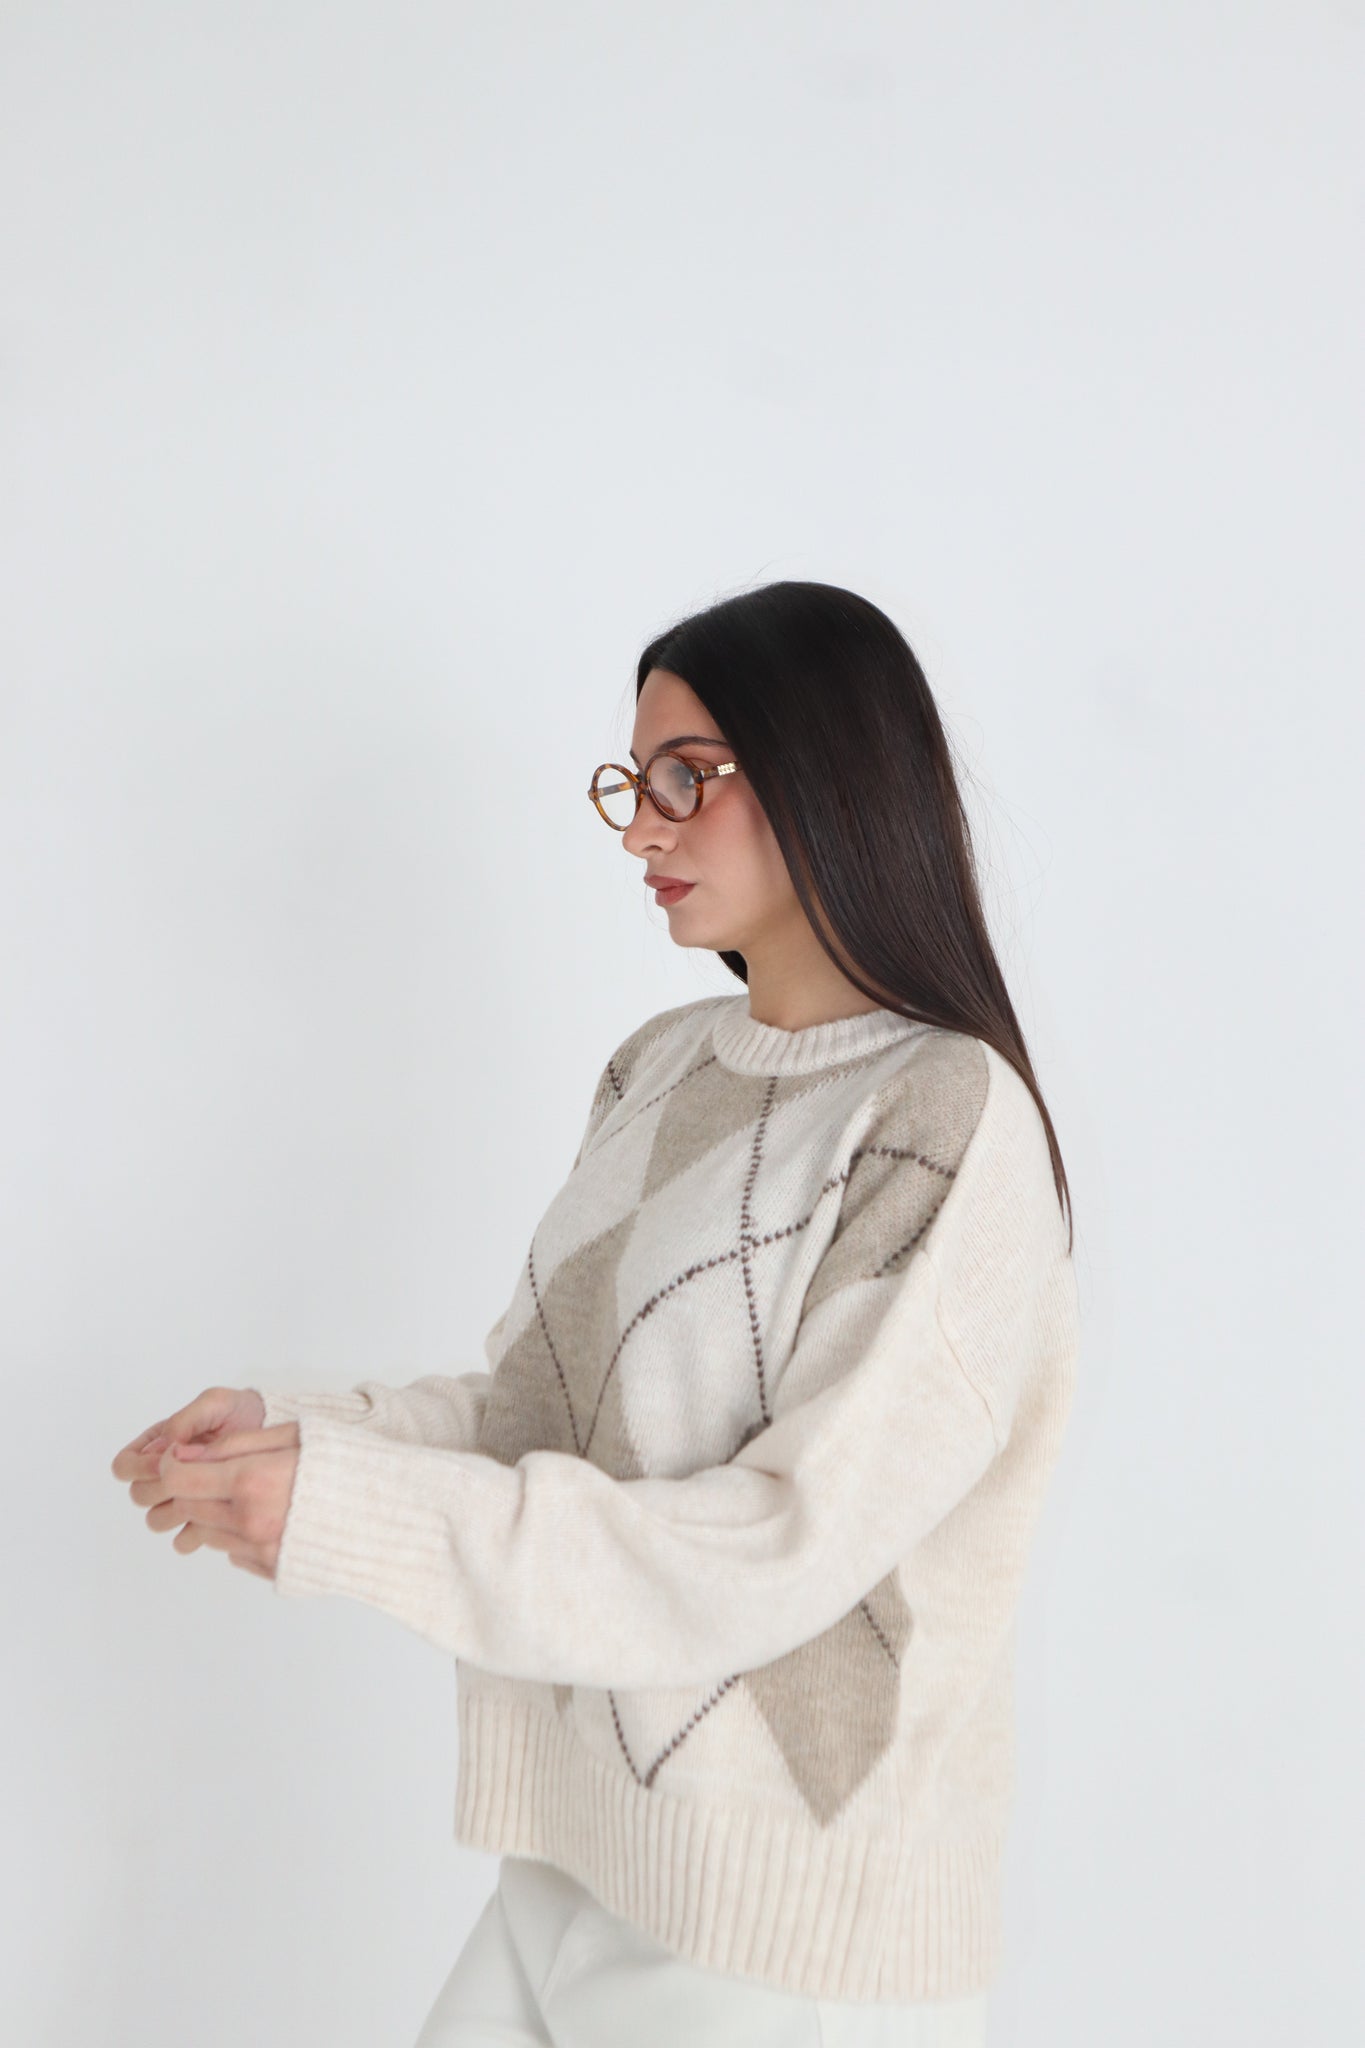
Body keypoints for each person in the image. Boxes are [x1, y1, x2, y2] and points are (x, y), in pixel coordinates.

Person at [112, 580, 1081, 2046]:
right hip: (574, 1865)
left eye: (688, 778)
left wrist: (349, 1512)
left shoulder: (944, 1117)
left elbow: (778, 1543)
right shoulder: (660, 1067)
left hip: (780, 1937)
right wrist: (297, 1440)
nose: (641, 830)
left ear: (828, 774)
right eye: (634, 784)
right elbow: (538, 1416)